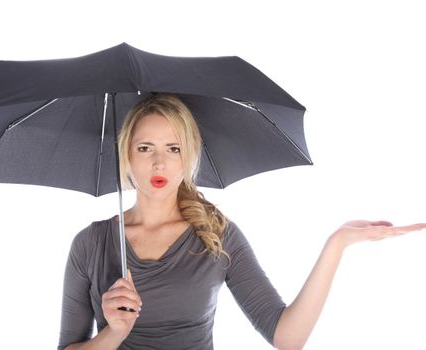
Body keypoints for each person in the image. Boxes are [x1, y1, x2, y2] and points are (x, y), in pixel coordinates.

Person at [57, 94, 426, 350]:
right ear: (126, 155)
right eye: (144, 148)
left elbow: (287, 337)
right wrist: (112, 335)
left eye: (174, 149)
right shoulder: (90, 244)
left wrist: (337, 244)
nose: (159, 164)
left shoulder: (217, 235)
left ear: (190, 156)